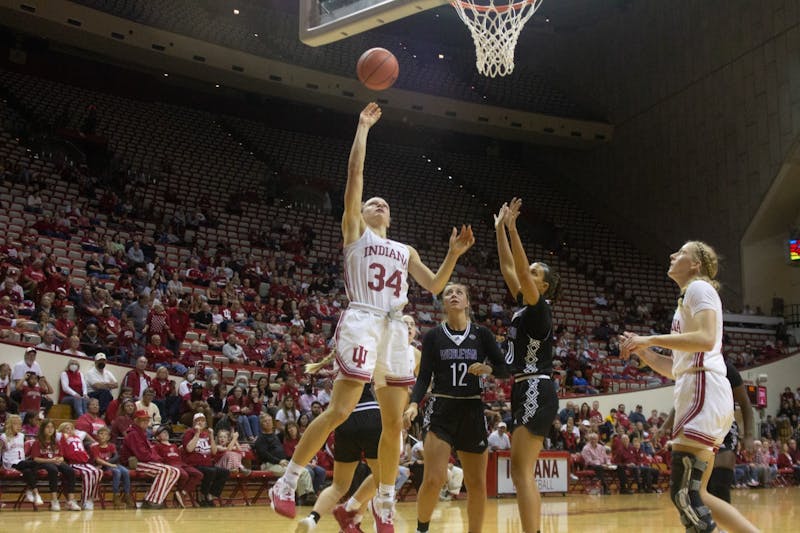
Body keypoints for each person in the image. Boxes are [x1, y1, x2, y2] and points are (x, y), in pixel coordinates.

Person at [270, 102, 474, 531]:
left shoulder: (405, 250)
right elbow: (355, 178)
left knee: (394, 422)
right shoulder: (354, 233)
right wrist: (362, 129)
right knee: (341, 411)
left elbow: (435, 286)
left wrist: (453, 255)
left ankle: (383, 500)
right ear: (360, 214)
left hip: (395, 327)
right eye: (371, 203)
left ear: (391, 217)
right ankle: (286, 482)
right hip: (363, 317)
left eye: (384, 204)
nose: (377, 203)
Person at [620, 241, 758, 533]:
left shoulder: (699, 288)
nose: (672, 255)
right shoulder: (687, 299)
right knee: (700, 494)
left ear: (696, 264)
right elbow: (675, 368)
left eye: (681, 253)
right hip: (697, 387)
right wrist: (642, 350)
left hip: (703, 390)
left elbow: (707, 339)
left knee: (683, 494)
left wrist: (650, 339)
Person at [402, 282, 507, 533]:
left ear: (467, 302)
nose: (453, 295)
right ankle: (421, 529)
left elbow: (504, 368)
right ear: (444, 303)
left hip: (472, 410)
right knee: (434, 478)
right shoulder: (434, 336)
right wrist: (414, 403)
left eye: (459, 292)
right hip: (441, 409)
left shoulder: (482, 334)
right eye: (448, 292)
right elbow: (424, 375)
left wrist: (488, 369)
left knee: (476, 484)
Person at [494, 198, 560, 533]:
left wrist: (513, 228)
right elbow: (510, 269)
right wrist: (499, 232)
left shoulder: (540, 308)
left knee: (521, 471)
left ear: (543, 286)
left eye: (535, 273)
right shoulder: (525, 305)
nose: (527, 273)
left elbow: (519, 270)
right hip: (523, 385)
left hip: (536, 384)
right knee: (519, 471)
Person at [120, 409, 181, 509]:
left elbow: (151, 452)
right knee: (165, 470)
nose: (145, 422)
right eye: (142, 420)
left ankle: (153, 499)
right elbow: (142, 455)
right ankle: (152, 501)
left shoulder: (142, 433)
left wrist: (157, 459)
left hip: (145, 461)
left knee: (175, 471)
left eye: (146, 420)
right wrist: (157, 460)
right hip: (135, 463)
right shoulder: (133, 434)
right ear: (136, 421)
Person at [27, 418, 81, 511]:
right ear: (42, 429)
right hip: (43, 463)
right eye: (47, 427)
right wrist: (51, 460)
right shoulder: (37, 443)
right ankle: (54, 500)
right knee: (53, 470)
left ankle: (71, 501)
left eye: (52, 427)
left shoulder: (56, 442)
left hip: (54, 462)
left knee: (70, 470)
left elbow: (61, 457)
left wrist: (59, 459)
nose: (50, 429)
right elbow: (36, 459)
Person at [182, 412, 230, 507]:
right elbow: (189, 449)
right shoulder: (189, 433)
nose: (200, 422)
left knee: (225, 472)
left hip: (207, 464)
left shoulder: (206, 434)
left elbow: (214, 452)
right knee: (210, 471)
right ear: (193, 423)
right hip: (194, 465)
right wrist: (197, 434)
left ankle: (210, 494)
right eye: (198, 421)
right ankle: (201, 496)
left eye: (202, 421)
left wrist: (212, 436)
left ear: (205, 423)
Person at [58, 421, 103, 510]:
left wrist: (95, 443)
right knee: (88, 474)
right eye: (67, 428)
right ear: (62, 430)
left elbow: (84, 434)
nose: (70, 430)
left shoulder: (77, 437)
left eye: (71, 428)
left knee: (98, 472)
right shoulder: (62, 438)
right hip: (73, 463)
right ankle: (84, 500)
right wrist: (63, 434)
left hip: (84, 462)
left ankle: (91, 498)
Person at [90, 425, 132, 508]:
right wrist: (108, 464)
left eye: (105, 434)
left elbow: (116, 456)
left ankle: (127, 495)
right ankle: (115, 496)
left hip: (111, 464)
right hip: (105, 467)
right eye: (100, 434)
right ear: (97, 436)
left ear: (109, 437)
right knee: (117, 472)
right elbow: (98, 460)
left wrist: (107, 463)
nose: (102, 436)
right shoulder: (94, 447)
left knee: (126, 471)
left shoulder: (111, 446)